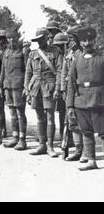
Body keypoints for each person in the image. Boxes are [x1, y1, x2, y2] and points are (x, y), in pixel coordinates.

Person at [67, 27, 104, 171]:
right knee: (86, 131)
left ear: (95, 40)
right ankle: (91, 160)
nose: (87, 43)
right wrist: (70, 106)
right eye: (84, 40)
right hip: (81, 101)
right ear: (80, 42)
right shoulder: (76, 60)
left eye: (90, 40)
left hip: (99, 100)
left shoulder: (101, 58)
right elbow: (70, 83)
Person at [25, 28, 63, 157]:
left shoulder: (56, 52)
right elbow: (28, 73)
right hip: (36, 87)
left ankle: (50, 146)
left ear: (47, 38)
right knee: (40, 117)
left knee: (50, 116)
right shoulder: (32, 54)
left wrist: (58, 88)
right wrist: (27, 89)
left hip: (50, 87)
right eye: (38, 40)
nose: (40, 42)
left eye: (42, 39)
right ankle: (42, 144)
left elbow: (59, 71)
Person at [0, 30, 27, 150]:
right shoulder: (6, 52)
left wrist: (26, 87)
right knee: (12, 112)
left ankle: (22, 139)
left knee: (20, 113)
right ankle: (15, 137)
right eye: (9, 38)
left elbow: (27, 71)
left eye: (13, 38)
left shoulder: (23, 51)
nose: (11, 40)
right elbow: (3, 71)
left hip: (18, 86)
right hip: (7, 86)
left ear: (17, 38)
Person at [61, 26, 85, 162]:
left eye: (70, 39)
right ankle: (77, 149)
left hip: (80, 90)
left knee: (82, 120)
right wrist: (63, 89)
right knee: (72, 121)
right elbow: (64, 72)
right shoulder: (68, 53)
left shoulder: (82, 53)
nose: (68, 41)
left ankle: (86, 151)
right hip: (70, 90)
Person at [53, 32, 69, 140]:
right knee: (62, 112)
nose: (59, 48)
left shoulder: (70, 54)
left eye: (60, 45)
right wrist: (59, 88)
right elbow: (59, 73)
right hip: (62, 88)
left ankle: (71, 138)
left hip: (70, 88)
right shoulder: (59, 56)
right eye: (57, 46)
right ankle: (63, 136)